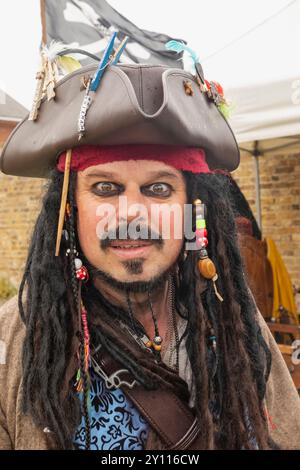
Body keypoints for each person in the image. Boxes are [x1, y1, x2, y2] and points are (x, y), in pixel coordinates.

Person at [1, 55, 300, 451]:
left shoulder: (234, 322)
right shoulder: (14, 340)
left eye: (158, 189)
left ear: (192, 209)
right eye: (105, 188)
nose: (130, 213)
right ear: (69, 208)